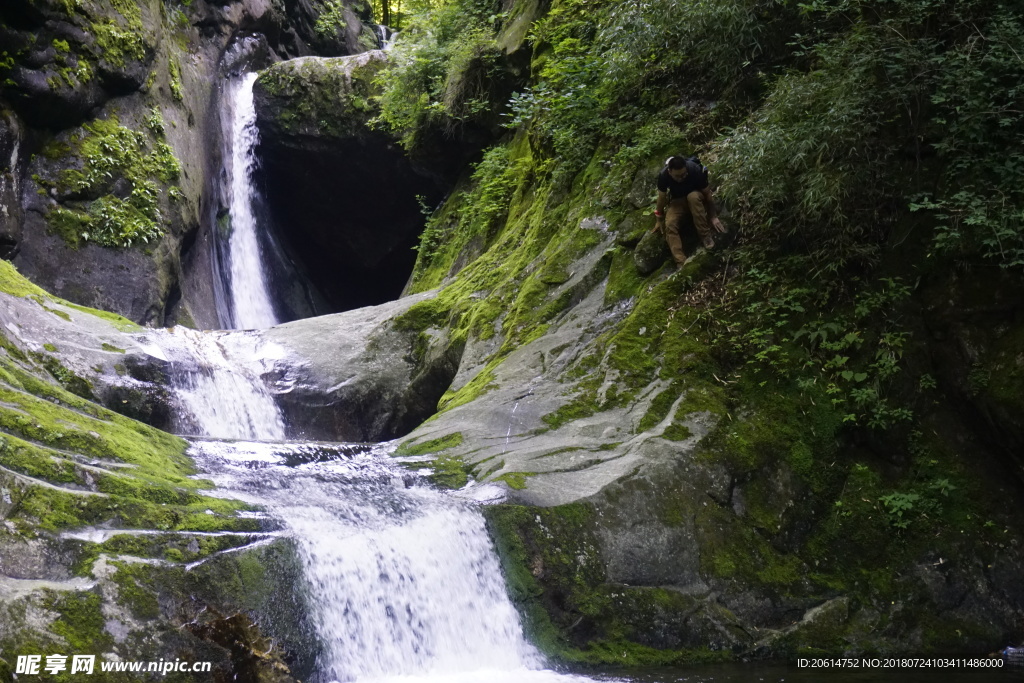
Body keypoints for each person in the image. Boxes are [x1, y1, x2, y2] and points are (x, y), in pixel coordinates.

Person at [652, 156, 726, 268]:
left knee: (693, 197)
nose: (681, 178)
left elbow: (707, 194)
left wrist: (713, 216)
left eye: (684, 174)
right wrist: (659, 219)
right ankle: (681, 262)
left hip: (696, 195)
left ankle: (705, 236)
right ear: (670, 172)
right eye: (678, 176)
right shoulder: (664, 176)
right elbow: (661, 198)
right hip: (678, 200)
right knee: (670, 223)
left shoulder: (694, 169)